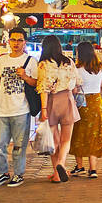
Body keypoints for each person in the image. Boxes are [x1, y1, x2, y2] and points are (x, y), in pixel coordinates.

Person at [0, 27, 38, 188]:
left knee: (18, 146)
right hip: (2, 109)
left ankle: (18, 174)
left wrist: (24, 76)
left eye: (19, 40)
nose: (16, 43)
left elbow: (36, 83)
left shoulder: (30, 61)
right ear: (8, 41)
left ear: (25, 42)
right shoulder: (2, 60)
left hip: (21, 110)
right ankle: (3, 173)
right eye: (13, 40)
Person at [37, 35, 80, 182]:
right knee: (66, 140)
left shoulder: (44, 64)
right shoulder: (69, 62)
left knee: (53, 140)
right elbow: (76, 84)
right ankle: (61, 164)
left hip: (51, 101)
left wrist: (43, 109)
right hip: (67, 99)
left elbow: (43, 87)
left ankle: (57, 173)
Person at [69, 41, 102, 178]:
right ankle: (93, 169)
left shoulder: (78, 69)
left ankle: (80, 167)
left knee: (78, 134)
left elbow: (74, 88)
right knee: (94, 134)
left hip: (82, 103)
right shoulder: (100, 68)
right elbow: (101, 85)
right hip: (97, 102)